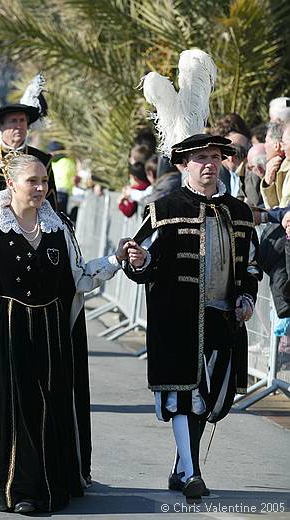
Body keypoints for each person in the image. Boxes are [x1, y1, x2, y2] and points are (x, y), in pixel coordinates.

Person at [0, 154, 128, 513]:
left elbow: (81, 277)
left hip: (50, 334)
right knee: (12, 413)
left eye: (44, 180)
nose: (41, 188)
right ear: (11, 183)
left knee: (47, 408)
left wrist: (115, 260)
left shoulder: (59, 227)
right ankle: (15, 489)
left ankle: (46, 484)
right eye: (33, 181)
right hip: (2, 333)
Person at [122, 134, 260, 500]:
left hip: (223, 319)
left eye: (215, 157)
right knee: (185, 396)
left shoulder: (241, 213)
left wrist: (246, 296)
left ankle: (181, 464)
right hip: (177, 319)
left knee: (213, 401)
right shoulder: (163, 208)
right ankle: (192, 472)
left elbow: (251, 266)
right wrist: (139, 261)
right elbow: (142, 260)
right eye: (201, 158)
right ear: (183, 165)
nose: (210, 164)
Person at [48, 141, 77, 214]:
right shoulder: (69, 162)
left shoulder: (50, 162)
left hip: (54, 192)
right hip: (64, 193)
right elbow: (74, 179)